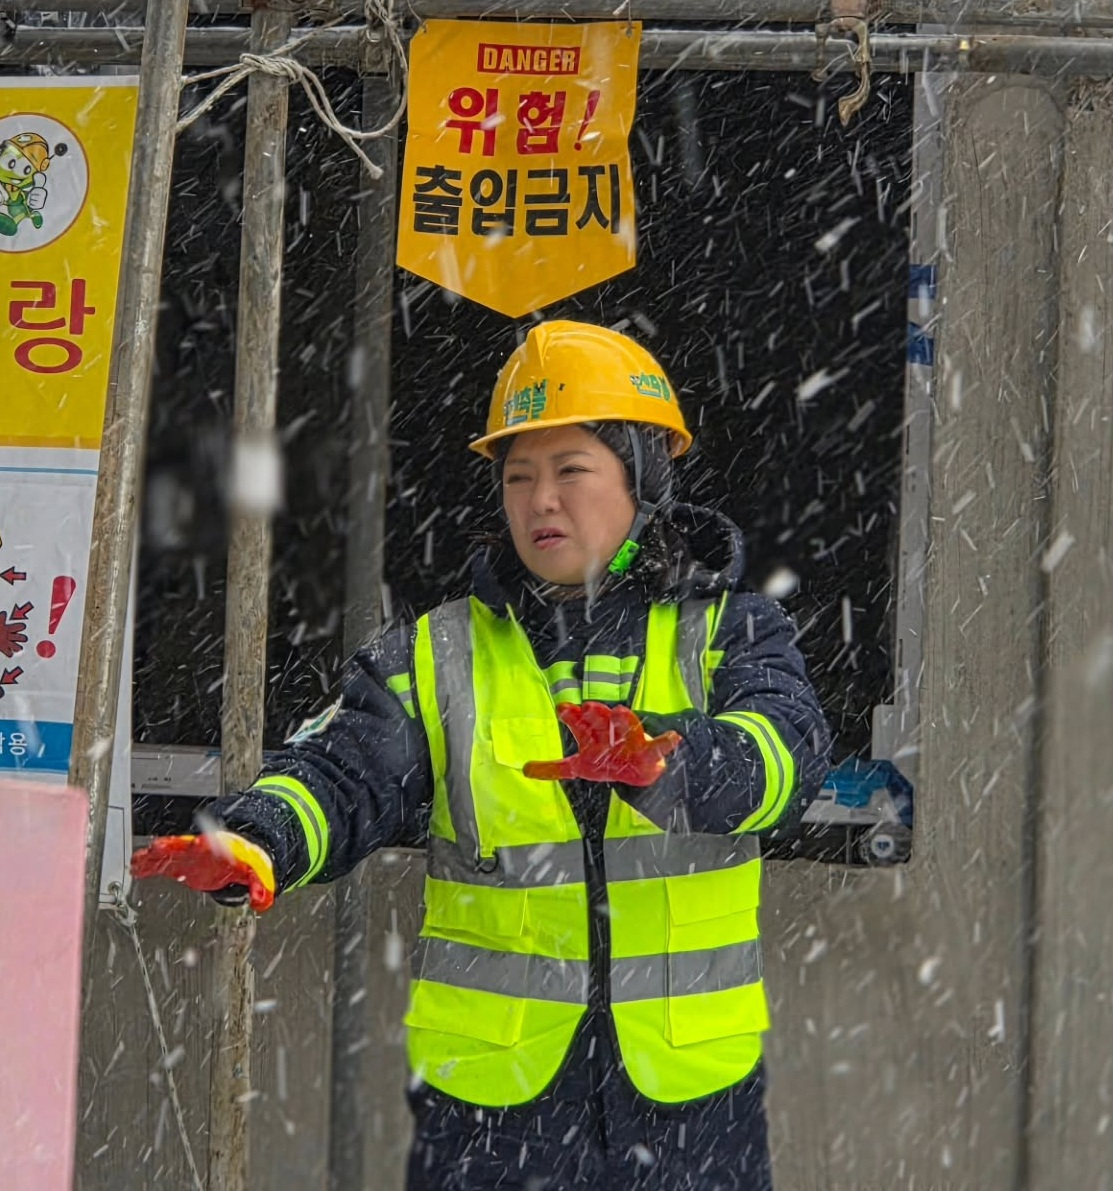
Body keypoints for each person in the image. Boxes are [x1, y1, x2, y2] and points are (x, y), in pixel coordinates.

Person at [132, 320, 832, 1190]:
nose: (542, 499)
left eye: (571, 470)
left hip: (691, 1105)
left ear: (645, 479)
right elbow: (342, 772)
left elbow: (790, 751)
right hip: (492, 1116)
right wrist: (261, 834)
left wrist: (676, 763)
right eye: (518, 476)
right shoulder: (436, 654)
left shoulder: (729, 631)